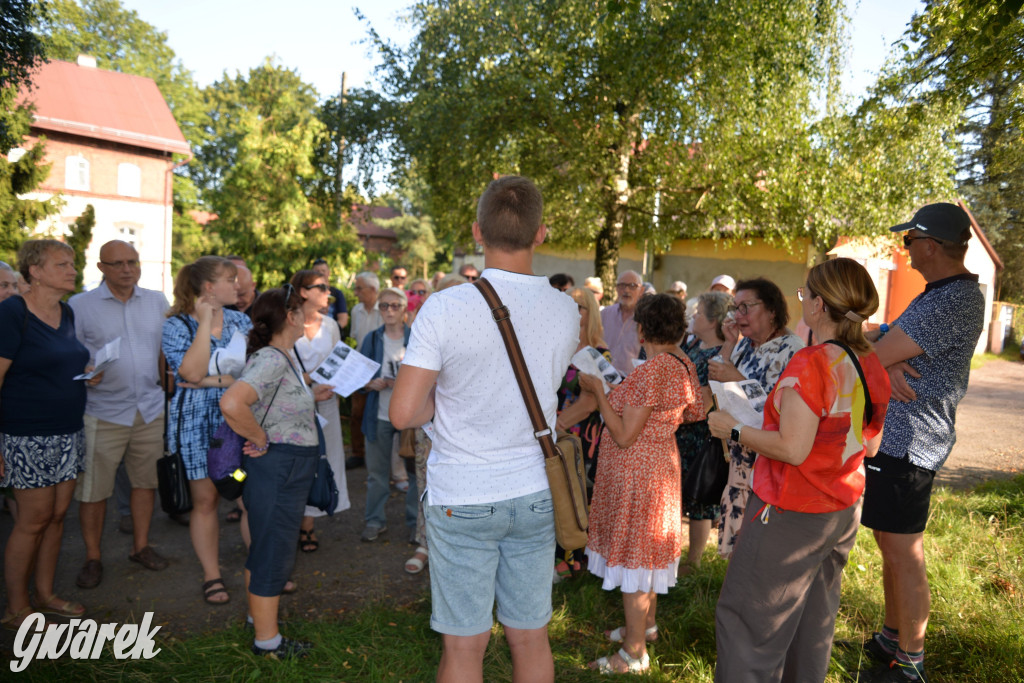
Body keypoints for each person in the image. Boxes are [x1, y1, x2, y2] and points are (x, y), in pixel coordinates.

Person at [391, 175, 578, 683]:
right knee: (530, 636)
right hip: (537, 489)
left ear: (478, 231)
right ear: (541, 233)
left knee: (464, 647)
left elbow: (404, 414)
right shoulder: (566, 309)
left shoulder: (445, 307)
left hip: (463, 493)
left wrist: (445, 403)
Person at [708, 258, 892, 682]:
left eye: (805, 293)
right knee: (813, 624)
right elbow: (871, 443)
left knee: (748, 627)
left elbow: (792, 448)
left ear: (819, 304)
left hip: (788, 510)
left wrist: (732, 427)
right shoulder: (869, 362)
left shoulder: (812, 363)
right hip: (841, 509)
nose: (803, 300)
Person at [855, 203, 985, 683]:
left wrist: (881, 358)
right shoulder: (938, 293)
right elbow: (880, 342)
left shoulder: (954, 298)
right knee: (889, 541)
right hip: (898, 438)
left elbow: (870, 350)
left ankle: (910, 660)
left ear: (930, 245)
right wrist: (885, 359)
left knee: (904, 548)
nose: (905, 248)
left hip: (913, 442)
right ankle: (893, 635)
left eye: (910, 240)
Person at [579, 293, 702, 674]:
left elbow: (624, 435)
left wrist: (600, 392)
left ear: (643, 328)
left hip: (637, 471)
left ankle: (633, 654)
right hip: (661, 465)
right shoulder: (683, 363)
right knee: (648, 552)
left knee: (635, 557)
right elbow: (696, 410)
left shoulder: (652, 370)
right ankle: (645, 626)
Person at [220, 286, 327, 659]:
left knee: (266, 544)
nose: (308, 313)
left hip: (284, 466)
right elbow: (233, 402)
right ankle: (268, 644)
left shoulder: (283, 356)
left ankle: (258, 620)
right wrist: (260, 437)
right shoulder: (273, 358)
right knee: (274, 550)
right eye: (301, 308)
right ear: (290, 317)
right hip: (279, 466)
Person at [1, 240, 95, 629]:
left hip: (68, 431)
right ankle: (17, 609)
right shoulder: (11, 312)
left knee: (57, 517)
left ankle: (46, 594)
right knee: (33, 520)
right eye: (62, 264)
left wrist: (91, 371)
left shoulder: (67, 312)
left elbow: (62, 361)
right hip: (26, 434)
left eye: (72, 263)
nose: (72, 269)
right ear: (35, 271)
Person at [70, 240, 171, 590]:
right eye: (117, 263)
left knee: (145, 484)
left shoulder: (157, 301)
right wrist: (84, 367)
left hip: (150, 407)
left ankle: (140, 547)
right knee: (94, 491)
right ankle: (93, 557)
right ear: (101, 268)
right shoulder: (80, 306)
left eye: (132, 261)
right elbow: (69, 354)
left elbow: (166, 349)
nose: (127, 269)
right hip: (103, 410)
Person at [162, 255, 252, 605]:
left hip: (240, 421)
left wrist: (208, 381)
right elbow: (189, 373)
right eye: (231, 279)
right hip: (197, 425)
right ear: (208, 287)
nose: (239, 285)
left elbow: (249, 373)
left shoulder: (242, 321)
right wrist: (203, 322)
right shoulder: (176, 325)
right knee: (206, 500)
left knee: (249, 497)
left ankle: (259, 569)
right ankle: (212, 575)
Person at [708, 277, 803, 558]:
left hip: (766, 464)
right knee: (736, 557)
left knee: (758, 554)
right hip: (739, 463)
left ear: (772, 310)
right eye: (735, 308)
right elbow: (717, 379)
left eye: (746, 307)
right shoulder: (743, 344)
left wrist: (735, 377)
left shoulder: (792, 350)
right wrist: (728, 343)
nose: (738, 316)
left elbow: (779, 413)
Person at [290, 270, 351, 552]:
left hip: (327, 405)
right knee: (297, 464)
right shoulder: (286, 322)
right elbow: (277, 368)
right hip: (292, 408)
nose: (329, 292)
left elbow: (339, 362)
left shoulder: (331, 325)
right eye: (322, 287)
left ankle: (309, 525)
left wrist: (343, 384)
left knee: (323, 461)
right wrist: (312, 380)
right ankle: (292, 524)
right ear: (303, 292)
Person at [552, 286, 610, 580]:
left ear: (591, 313)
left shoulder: (599, 353)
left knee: (574, 495)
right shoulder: (557, 345)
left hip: (577, 436)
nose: (573, 314)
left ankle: (570, 562)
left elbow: (590, 403)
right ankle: (555, 558)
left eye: (579, 308)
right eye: (568, 307)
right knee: (553, 493)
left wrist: (556, 426)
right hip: (553, 432)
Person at [675, 290, 732, 573]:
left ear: (712, 321)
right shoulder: (695, 344)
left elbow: (706, 399)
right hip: (681, 430)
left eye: (698, 313)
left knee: (699, 500)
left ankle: (693, 560)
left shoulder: (718, 356)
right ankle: (674, 553)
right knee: (680, 495)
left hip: (698, 432)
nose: (693, 317)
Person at [358, 287, 414, 542]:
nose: (389, 310)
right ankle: (375, 520)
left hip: (411, 417)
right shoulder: (371, 339)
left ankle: (415, 523)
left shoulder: (416, 337)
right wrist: (371, 384)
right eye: (384, 306)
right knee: (377, 473)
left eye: (394, 305)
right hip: (378, 415)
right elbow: (356, 377)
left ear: (404, 309)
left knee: (415, 473)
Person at [346, 271, 382, 470]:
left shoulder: (384, 309)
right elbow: (356, 339)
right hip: (360, 366)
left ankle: (377, 455)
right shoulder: (356, 310)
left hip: (380, 366)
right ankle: (358, 453)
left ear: (373, 290)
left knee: (378, 412)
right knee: (356, 412)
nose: (355, 292)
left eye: (359, 288)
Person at [601, 270, 644, 376]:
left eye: (632, 286)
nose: (626, 290)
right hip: (602, 377)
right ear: (616, 288)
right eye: (622, 285)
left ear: (641, 291)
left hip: (631, 382)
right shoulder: (604, 314)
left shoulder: (646, 319)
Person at [312, 258, 349, 330]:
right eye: (317, 271)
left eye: (323, 271)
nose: (321, 273)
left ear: (329, 273)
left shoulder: (337, 294)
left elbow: (343, 320)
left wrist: (331, 331)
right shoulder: (309, 293)